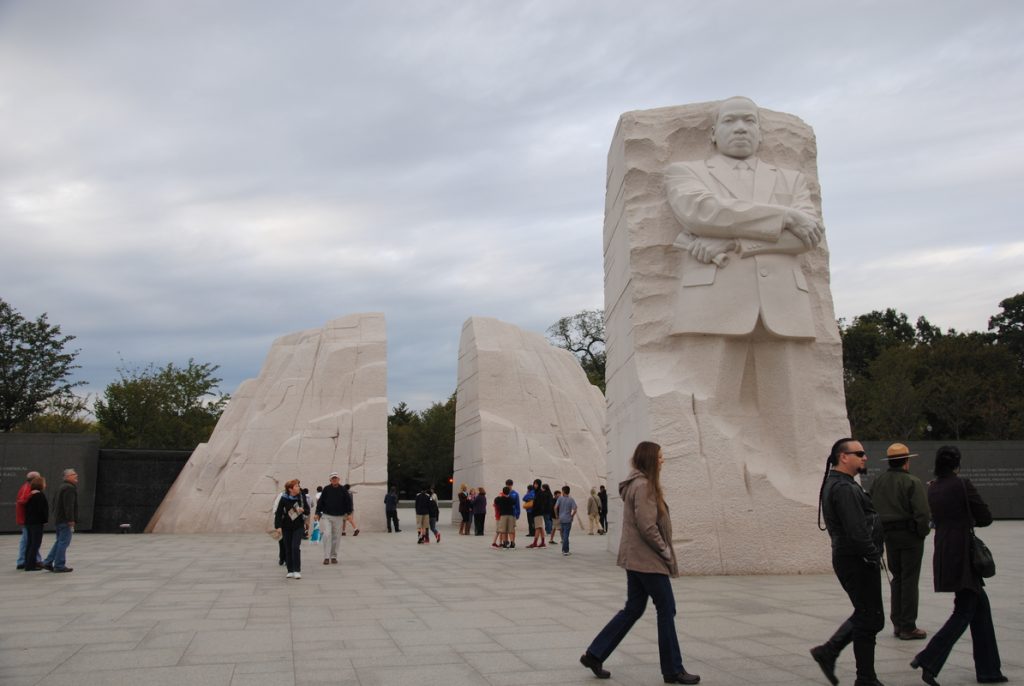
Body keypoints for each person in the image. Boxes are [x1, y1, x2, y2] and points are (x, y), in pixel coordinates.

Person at [580, 442, 699, 684]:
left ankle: (595, 654)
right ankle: (673, 669)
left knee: (633, 609)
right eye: (660, 457)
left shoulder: (637, 484)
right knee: (666, 609)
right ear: (651, 460)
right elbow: (647, 526)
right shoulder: (644, 486)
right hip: (648, 560)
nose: (663, 461)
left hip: (635, 559)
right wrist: (665, 550)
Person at [910, 446, 1007, 685]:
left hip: (945, 551)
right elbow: (985, 517)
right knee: (964, 611)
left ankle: (989, 670)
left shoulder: (933, 488)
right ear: (957, 464)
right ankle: (928, 658)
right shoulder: (962, 485)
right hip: (964, 554)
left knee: (980, 609)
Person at [810, 438, 885, 686]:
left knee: (868, 615)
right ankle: (860, 674)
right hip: (856, 559)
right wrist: (872, 555)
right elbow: (857, 529)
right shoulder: (843, 488)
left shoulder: (842, 485)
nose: (865, 457)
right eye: (859, 453)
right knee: (869, 615)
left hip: (854, 557)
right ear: (844, 457)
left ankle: (836, 657)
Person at [870, 443, 930, 640]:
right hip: (910, 536)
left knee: (897, 578)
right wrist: (922, 532)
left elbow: (871, 508)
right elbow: (921, 513)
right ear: (906, 461)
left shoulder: (879, 481)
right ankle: (908, 625)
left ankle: (897, 622)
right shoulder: (912, 482)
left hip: (889, 536)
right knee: (910, 580)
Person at [42, 468, 79, 574]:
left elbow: (54, 503)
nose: (76, 475)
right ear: (67, 477)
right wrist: (71, 519)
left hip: (59, 519)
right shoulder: (69, 488)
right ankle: (59, 565)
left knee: (59, 541)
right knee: (63, 542)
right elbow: (69, 505)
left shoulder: (61, 487)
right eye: (73, 474)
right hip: (65, 520)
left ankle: (48, 562)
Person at [274, 479, 309, 579]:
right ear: (290, 489)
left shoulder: (301, 497)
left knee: (295, 547)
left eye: (298, 485)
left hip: (298, 526)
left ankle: (297, 570)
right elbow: (279, 513)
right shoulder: (284, 498)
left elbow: (307, 510)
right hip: (286, 527)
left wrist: (303, 510)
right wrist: (278, 526)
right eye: (297, 486)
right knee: (288, 548)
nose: (299, 487)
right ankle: (290, 570)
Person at [315, 472, 347, 565]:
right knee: (327, 534)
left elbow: (348, 501)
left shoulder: (343, 490)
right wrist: (317, 513)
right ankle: (326, 557)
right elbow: (321, 502)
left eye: (336, 478)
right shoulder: (326, 489)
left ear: (339, 479)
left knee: (336, 537)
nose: (334, 480)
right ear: (330, 480)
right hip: (327, 516)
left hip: (339, 516)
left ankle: (333, 556)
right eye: (333, 478)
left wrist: (348, 512)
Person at [15, 470, 41, 570]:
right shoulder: (28, 488)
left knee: (28, 540)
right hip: (27, 519)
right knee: (28, 540)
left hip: (26, 519)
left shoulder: (26, 487)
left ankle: (33, 559)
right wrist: (32, 494)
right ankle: (23, 561)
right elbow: (22, 500)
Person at [23, 476, 48, 572]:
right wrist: (45, 520)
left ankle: (27, 563)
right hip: (37, 522)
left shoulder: (30, 495)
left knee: (30, 543)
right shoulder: (40, 495)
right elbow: (42, 510)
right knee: (35, 543)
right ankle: (31, 565)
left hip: (29, 522)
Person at [555, 486, 577, 556]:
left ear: (563, 491)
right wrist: (572, 516)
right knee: (566, 535)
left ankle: (564, 550)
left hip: (561, 518)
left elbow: (555, 507)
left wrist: (557, 516)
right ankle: (565, 550)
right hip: (568, 519)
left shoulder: (560, 498)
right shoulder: (571, 499)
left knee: (563, 534)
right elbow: (575, 509)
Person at [527, 482, 551, 548]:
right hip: (538, 512)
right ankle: (542, 543)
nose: (535, 485)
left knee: (537, 527)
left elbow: (539, 503)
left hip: (538, 512)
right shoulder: (537, 492)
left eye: (536, 484)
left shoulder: (539, 493)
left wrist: (534, 509)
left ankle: (535, 543)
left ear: (539, 484)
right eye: (534, 484)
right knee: (540, 527)